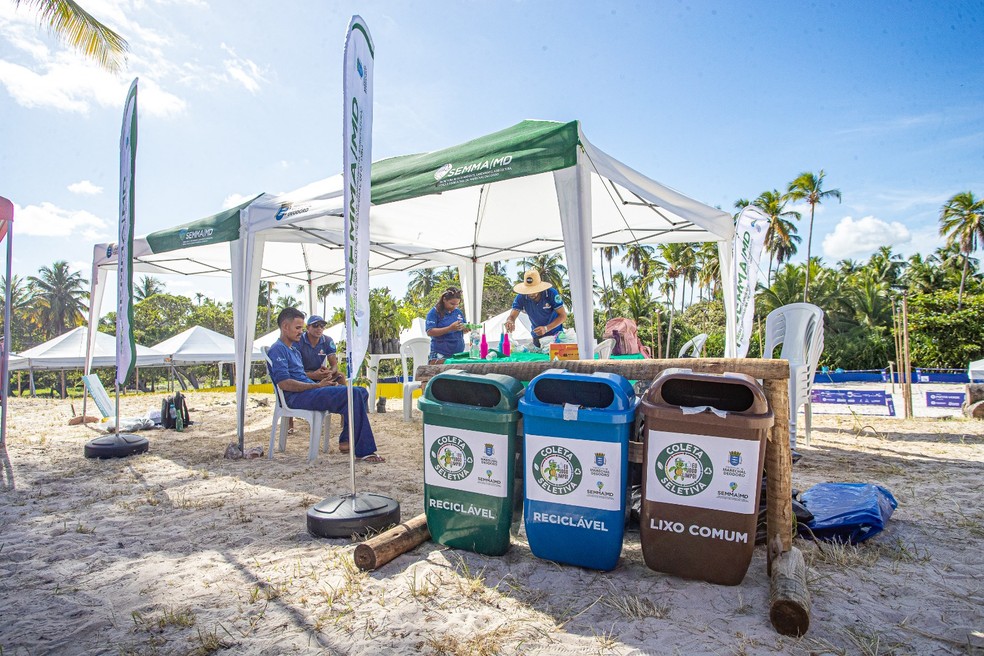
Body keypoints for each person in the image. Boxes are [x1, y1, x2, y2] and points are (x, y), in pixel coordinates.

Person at [267, 307, 384, 463]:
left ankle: (345, 440)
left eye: (301, 328)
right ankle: (364, 451)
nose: (300, 332)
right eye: (297, 328)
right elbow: (284, 383)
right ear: (285, 327)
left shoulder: (293, 350)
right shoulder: (278, 350)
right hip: (296, 397)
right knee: (353, 394)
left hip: (309, 391)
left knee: (361, 391)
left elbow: (302, 376)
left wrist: (323, 383)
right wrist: (317, 386)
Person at [504, 269, 567, 347]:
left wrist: (546, 328)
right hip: (537, 337)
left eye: (534, 290)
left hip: (555, 336)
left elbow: (563, 316)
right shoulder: (521, 297)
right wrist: (510, 321)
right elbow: (512, 316)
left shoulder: (551, 293)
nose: (531, 293)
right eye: (528, 290)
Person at [425, 286, 468, 363]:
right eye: (452, 304)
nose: (454, 307)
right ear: (444, 299)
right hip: (440, 354)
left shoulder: (458, 312)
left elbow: (461, 330)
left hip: (458, 355)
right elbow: (430, 331)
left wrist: (465, 328)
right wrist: (449, 328)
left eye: (457, 304)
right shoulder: (434, 312)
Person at [298, 315, 345, 383]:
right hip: (302, 375)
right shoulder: (298, 340)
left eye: (322, 326)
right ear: (307, 327)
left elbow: (334, 365)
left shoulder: (327, 340)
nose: (319, 328)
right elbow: (294, 371)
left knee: (340, 376)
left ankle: (347, 393)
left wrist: (329, 372)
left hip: (319, 375)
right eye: (315, 325)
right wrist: (312, 375)